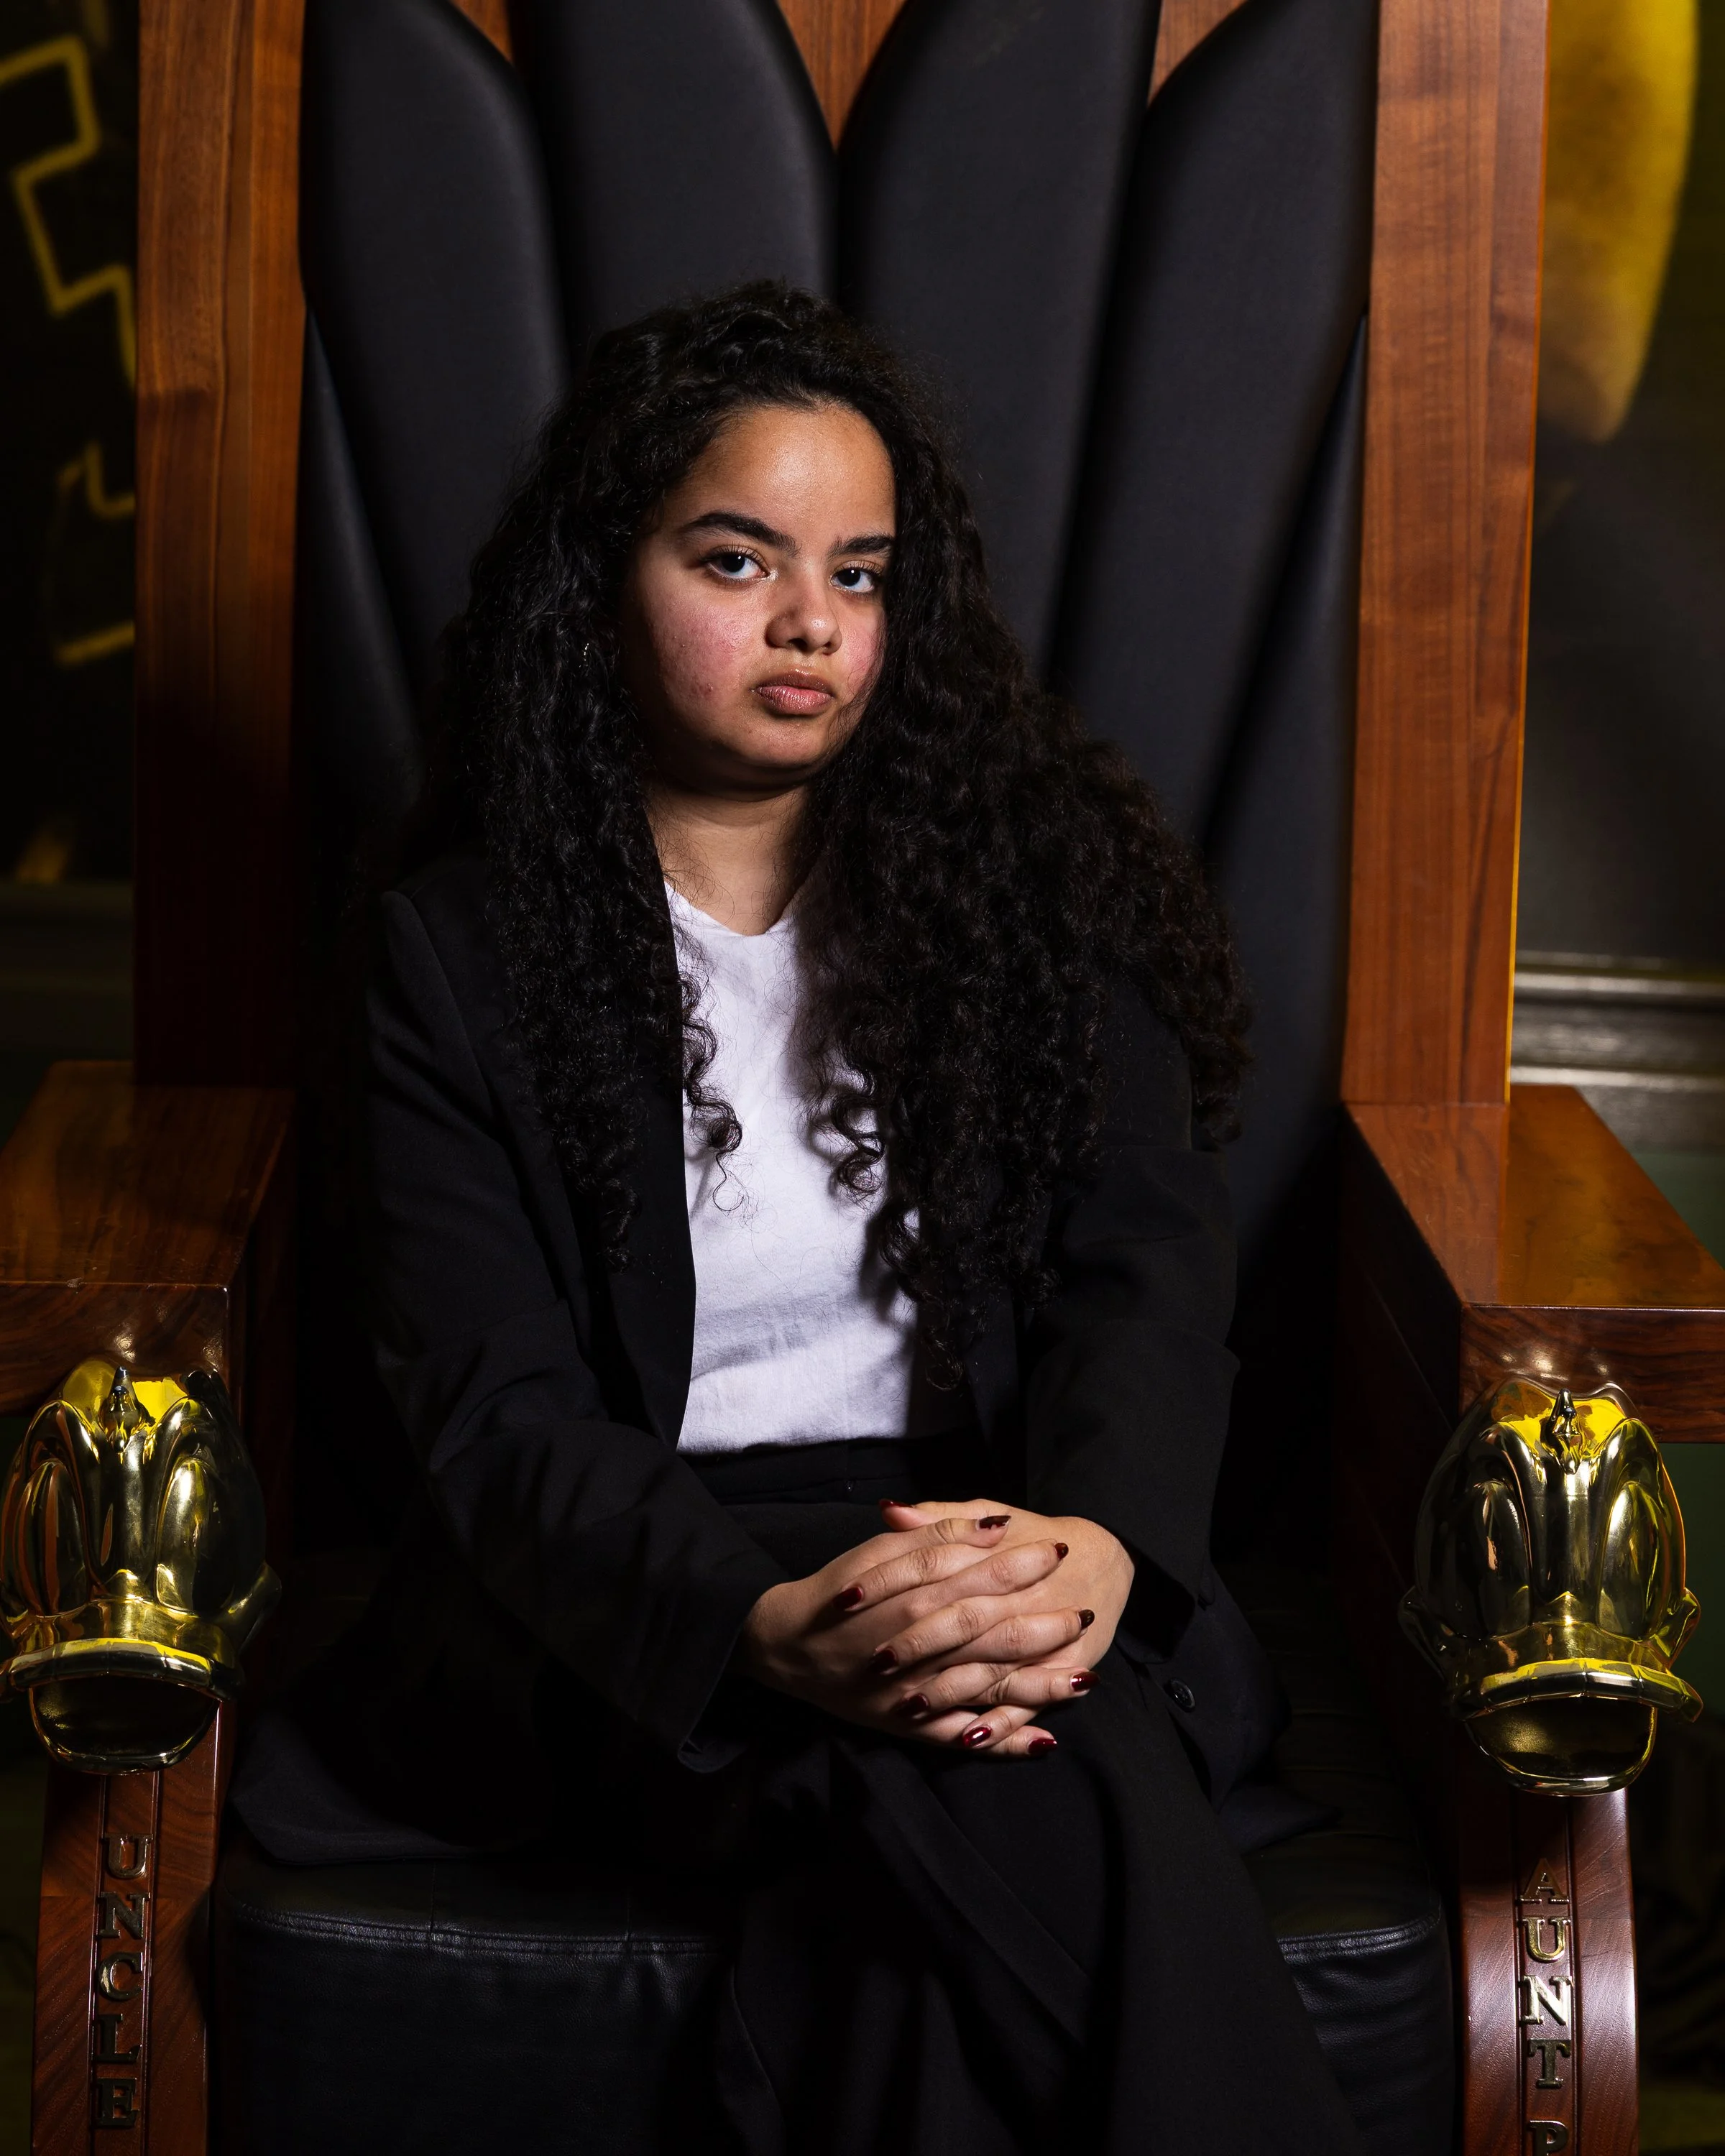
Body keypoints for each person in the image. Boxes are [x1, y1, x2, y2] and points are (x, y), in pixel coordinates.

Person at [235, 283, 1362, 2153]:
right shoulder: (455, 957)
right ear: (602, 584)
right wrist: (759, 1625)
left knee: (957, 1828)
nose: (812, 624)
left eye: (861, 573)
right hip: (635, 1595)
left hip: (988, 1530)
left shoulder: (1025, 903)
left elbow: (1146, 1282)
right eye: (737, 560)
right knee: (1035, 1773)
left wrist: (1092, 1555)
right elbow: (496, 1413)